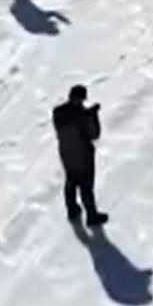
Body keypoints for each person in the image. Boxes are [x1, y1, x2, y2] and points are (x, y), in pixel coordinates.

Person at [51, 84, 107, 227]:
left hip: (66, 153)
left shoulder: (58, 112)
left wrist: (87, 114)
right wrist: (93, 116)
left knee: (71, 180)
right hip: (83, 154)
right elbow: (94, 134)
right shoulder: (83, 115)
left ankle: (72, 209)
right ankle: (91, 215)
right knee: (85, 185)